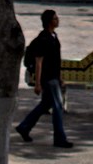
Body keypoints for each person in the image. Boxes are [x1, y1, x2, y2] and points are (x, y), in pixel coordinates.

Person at [15, 8, 72, 148]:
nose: (57, 20)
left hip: (54, 77)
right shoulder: (43, 39)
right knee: (58, 106)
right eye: (54, 18)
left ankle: (24, 127)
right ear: (48, 22)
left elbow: (56, 60)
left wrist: (60, 77)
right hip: (48, 78)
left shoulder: (54, 36)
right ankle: (59, 138)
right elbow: (39, 62)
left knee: (45, 105)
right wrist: (38, 83)